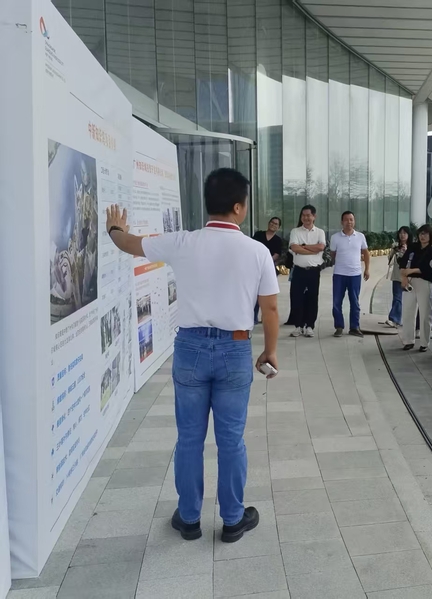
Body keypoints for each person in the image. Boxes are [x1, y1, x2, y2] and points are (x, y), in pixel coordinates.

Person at [104, 168, 279, 542]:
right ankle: (232, 520)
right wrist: (270, 351)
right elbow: (270, 309)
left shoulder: (183, 242)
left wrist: (114, 230)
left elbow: (129, 244)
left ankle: (189, 518)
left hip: (190, 349)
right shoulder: (257, 251)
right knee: (231, 440)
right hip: (235, 348)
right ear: (239, 207)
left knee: (188, 439)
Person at [330, 211, 370, 338]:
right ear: (342, 222)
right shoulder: (335, 237)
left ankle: (354, 327)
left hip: (355, 274)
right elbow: (333, 254)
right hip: (339, 274)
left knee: (355, 302)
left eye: (351, 219)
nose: (349, 222)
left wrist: (367, 269)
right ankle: (339, 326)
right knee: (337, 302)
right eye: (346, 220)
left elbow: (366, 253)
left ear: (354, 221)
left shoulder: (360, 237)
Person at [288, 205, 326, 338]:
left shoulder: (320, 232)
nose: (306, 218)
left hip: (313, 271)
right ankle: (298, 326)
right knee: (296, 298)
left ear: (314, 217)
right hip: (299, 271)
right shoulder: (295, 231)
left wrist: (303, 247)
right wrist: (311, 250)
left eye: (308, 215)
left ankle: (310, 326)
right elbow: (294, 248)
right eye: (303, 215)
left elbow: (321, 247)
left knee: (312, 298)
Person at [400, 225, 432, 351]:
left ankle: (424, 343)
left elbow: (427, 268)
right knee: (407, 311)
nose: (422, 236)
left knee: (425, 312)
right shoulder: (413, 247)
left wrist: (410, 271)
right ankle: (408, 340)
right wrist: (404, 276)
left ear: (430, 235)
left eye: (425, 234)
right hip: (409, 282)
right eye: (421, 234)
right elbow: (403, 262)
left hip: (424, 282)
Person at [253, 216, 282, 324]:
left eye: (276, 224)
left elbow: (277, 254)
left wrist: (266, 261)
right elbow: (252, 248)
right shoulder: (259, 235)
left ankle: (265, 317)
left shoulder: (278, 240)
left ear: (278, 227)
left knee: (266, 293)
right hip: (255, 266)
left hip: (269, 268)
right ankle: (253, 317)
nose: (273, 225)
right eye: (272, 222)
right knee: (254, 293)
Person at [386, 227, 411, 328]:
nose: (402, 235)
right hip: (397, 275)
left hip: (409, 277)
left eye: (404, 233)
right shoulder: (395, 245)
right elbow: (389, 260)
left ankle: (407, 320)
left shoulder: (412, 247)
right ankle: (394, 319)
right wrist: (394, 251)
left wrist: (405, 252)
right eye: (400, 233)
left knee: (410, 300)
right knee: (397, 298)